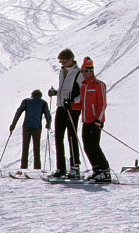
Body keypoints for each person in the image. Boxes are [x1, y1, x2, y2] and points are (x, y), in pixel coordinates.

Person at [73, 57, 110, 182]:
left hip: (95, 121)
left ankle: (104, 171)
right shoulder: (84, 86)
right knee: (87, 146)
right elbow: (82, 104)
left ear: (91, 71)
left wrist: (98, 120)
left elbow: (102, 103)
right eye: (82, 71)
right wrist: (71, 105)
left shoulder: (99, 85)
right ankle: (97, 170)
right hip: (86, 121)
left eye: (86, 71)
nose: (83, 73)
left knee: (94, 146)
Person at [48, 48, 83, 179]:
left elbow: (82, 92)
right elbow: (64, 89)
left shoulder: (79, 73)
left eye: (64, 62)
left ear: (71, 60)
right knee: (58, 137)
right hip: (61, 107)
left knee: (71, 137)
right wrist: (56, 93)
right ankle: (61, 168)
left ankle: (75, 167)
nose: (62, 64)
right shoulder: (62, 72)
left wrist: (73, 101)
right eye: (61, 62)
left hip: (72, 109)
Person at [10, 89, 52, 170]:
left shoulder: (26, 101)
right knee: (36, 149)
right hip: (37, 127)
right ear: (40, 95)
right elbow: (48, 115)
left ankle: (23, 167)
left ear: (32, 95)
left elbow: (18, 112)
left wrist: (13, 125)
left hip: (26, 126)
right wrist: (48, 124)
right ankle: (37, 168)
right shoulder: (43, 103)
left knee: (25, 148)